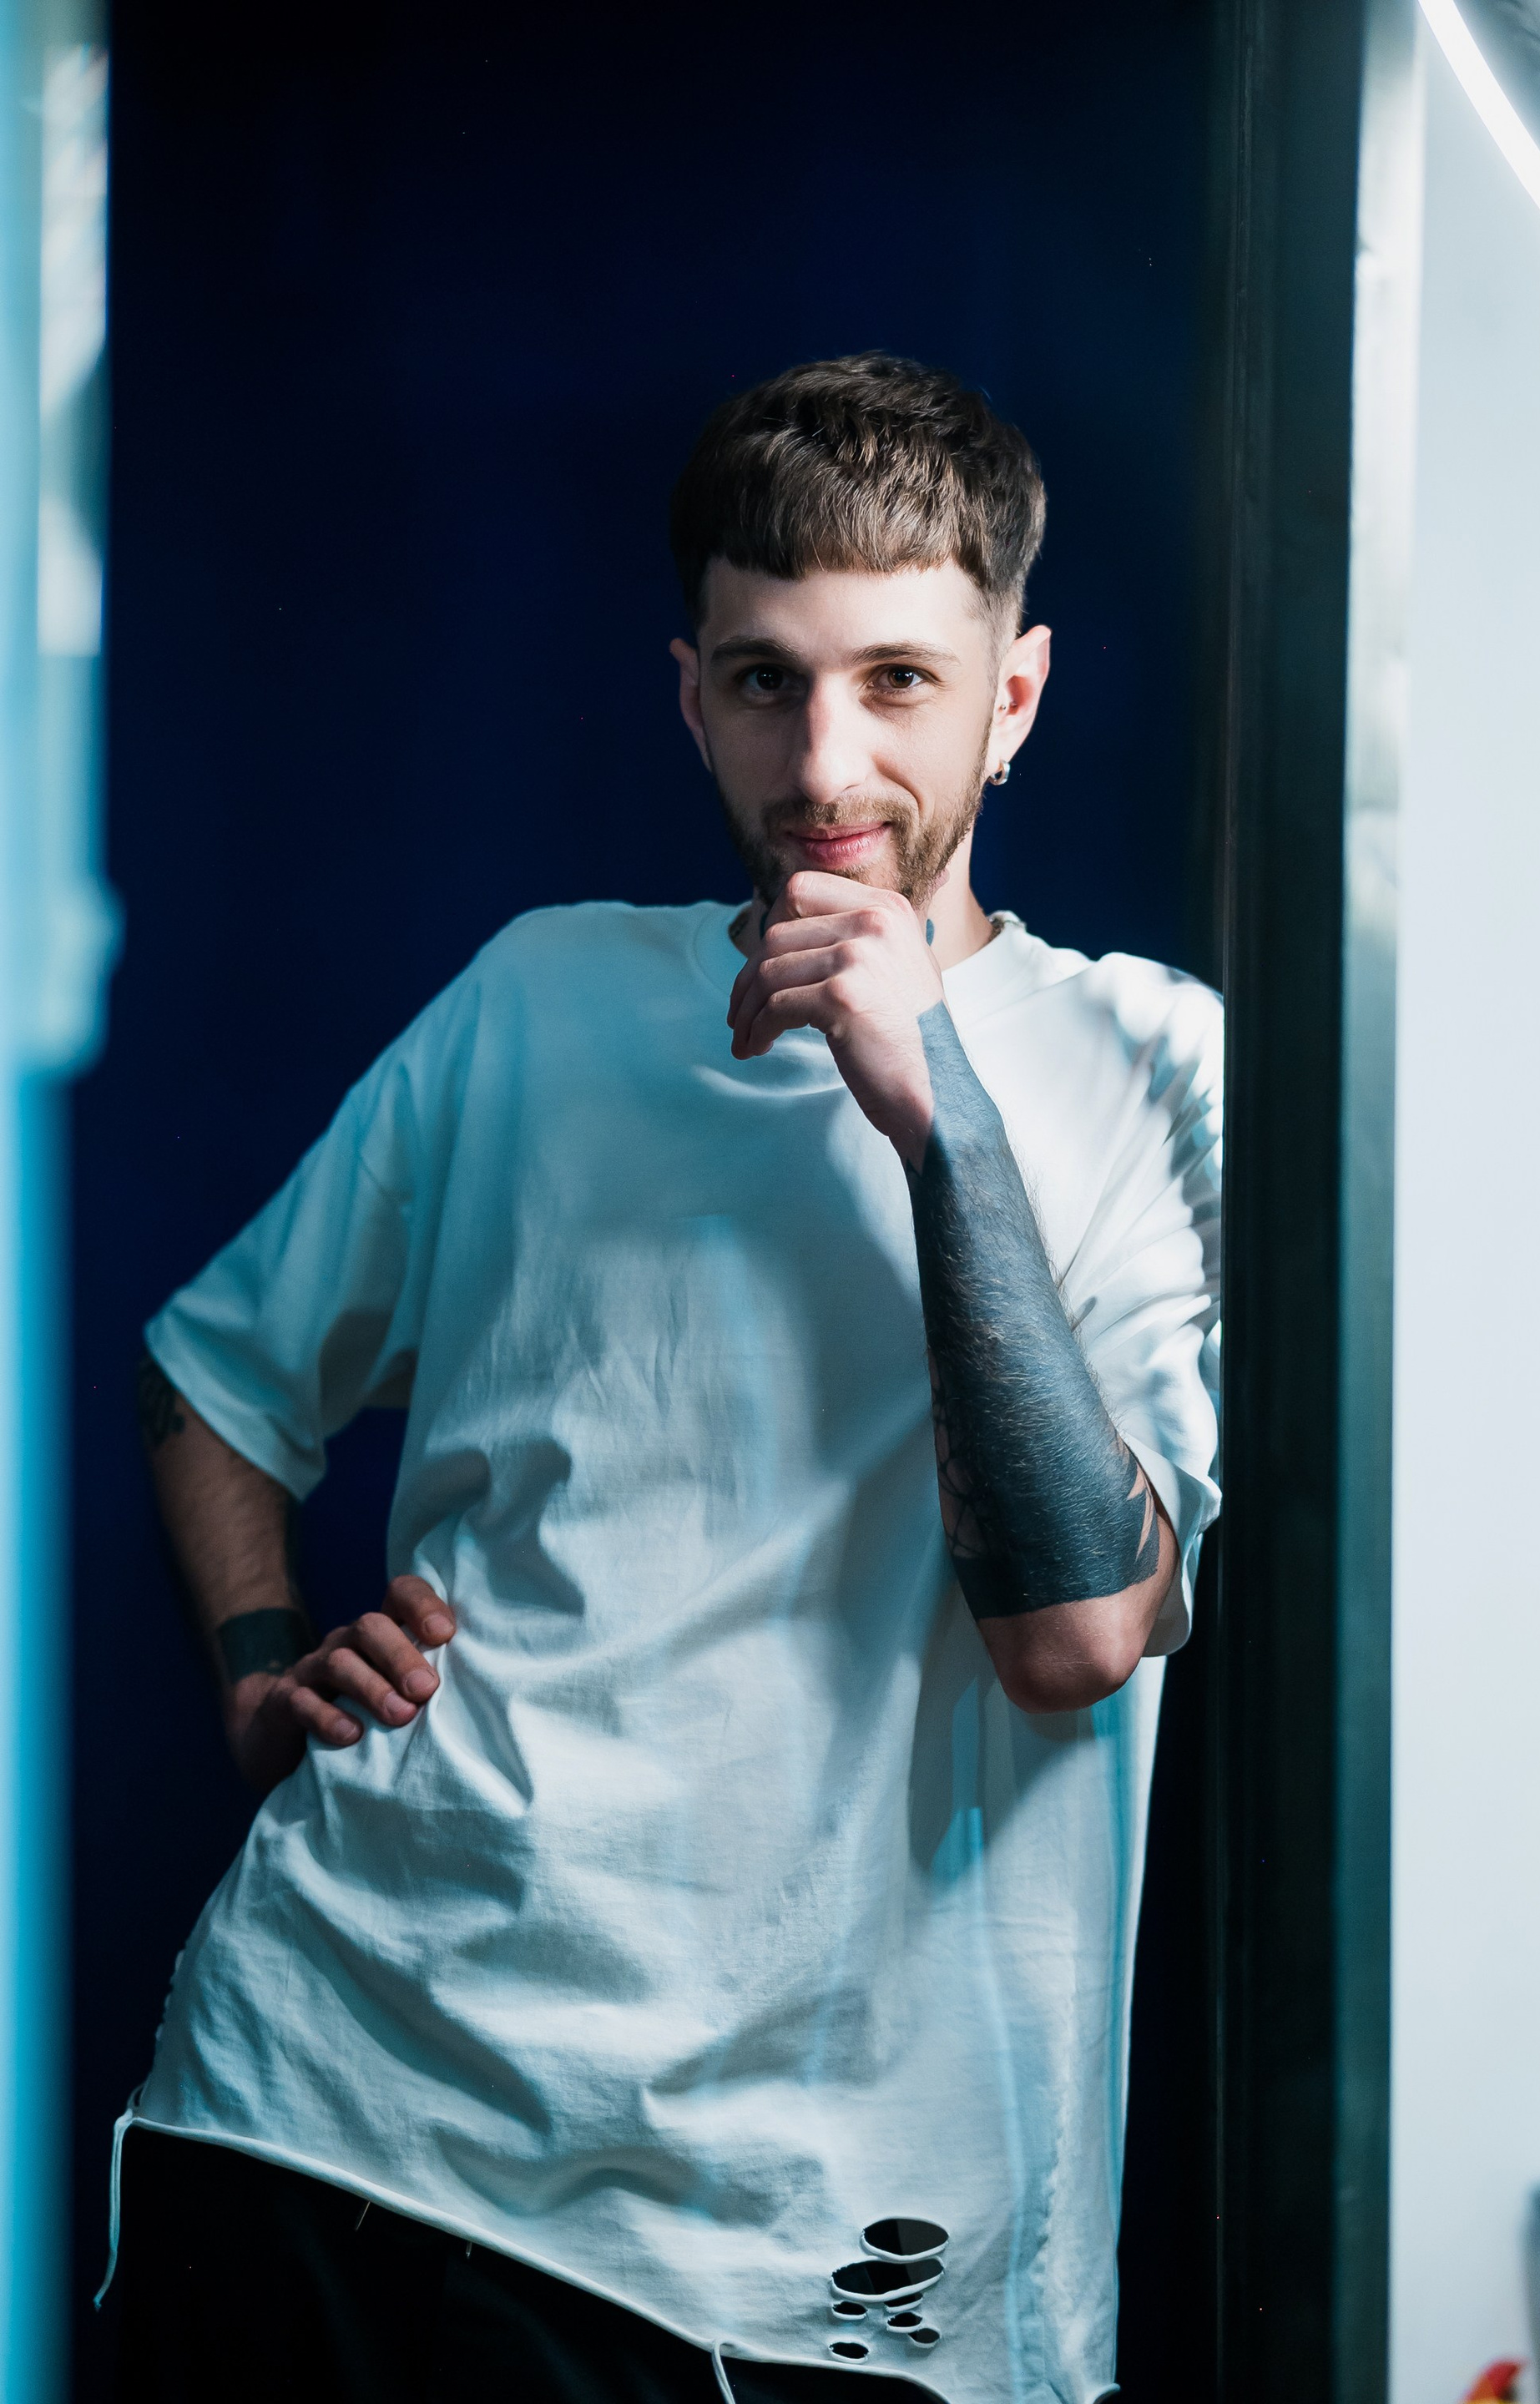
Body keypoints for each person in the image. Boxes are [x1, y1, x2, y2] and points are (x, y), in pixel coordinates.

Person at [111, 353, 1221, 2404]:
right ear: (691, 696)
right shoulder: (541, 996)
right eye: (766, 680)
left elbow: (1081, 1631)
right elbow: (213, 1385)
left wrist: (937, 1112)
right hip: (333, 2110)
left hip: (829, 2237)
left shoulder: (1157, 1066)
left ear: (1015, 697)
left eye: (899, 680)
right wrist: (266, 1679)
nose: (825, 761)